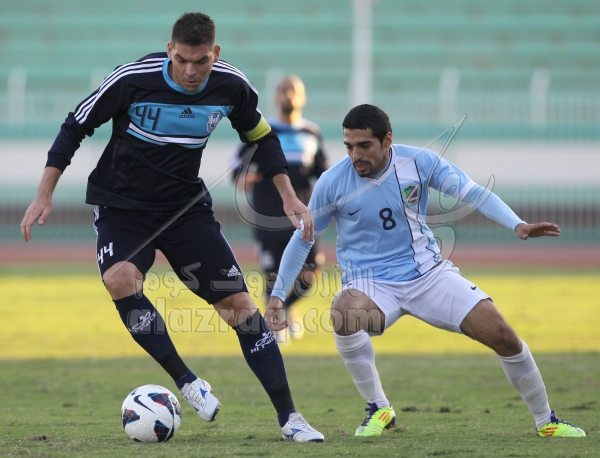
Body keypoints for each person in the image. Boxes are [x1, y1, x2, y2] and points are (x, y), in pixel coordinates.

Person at [20, 12, 323, 443]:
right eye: (181, 60)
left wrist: (289, 195)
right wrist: (44, 192)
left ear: (215, 54)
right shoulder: (132, 79)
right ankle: (187, 381)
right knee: (120, 280)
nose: (190, 71)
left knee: (240, 307)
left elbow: (262, 137)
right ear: (169, 51)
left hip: (184, 210)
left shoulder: (232, 86)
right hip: (122, 207)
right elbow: (75, 126)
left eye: (200, 61)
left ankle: (290, 418)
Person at [266, 104, 586, 438]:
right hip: (371, 284)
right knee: (344, 312)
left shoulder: (418, 162)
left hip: (429, 276)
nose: (355, 155)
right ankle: (379, 407)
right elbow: (303, 239)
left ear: (387, 140)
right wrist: (277, 296)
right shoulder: (332, 181)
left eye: (364, 145)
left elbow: (472, 192)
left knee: (504, 336)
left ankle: (547, 421)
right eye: (348, 146)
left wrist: (517, 224)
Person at [232, 74, 328, 341]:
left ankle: (285, 310)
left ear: (303, 97)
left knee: (309, 275)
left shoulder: (311, 132)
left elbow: (322, 172)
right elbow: (237, 166)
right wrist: (243, 177)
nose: (288, 95)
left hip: (302, 217)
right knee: (274, 276)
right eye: (283, 90)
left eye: (293, 90)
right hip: (268, 215)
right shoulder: (263, 130)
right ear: (276, 96)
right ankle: (274, 326)